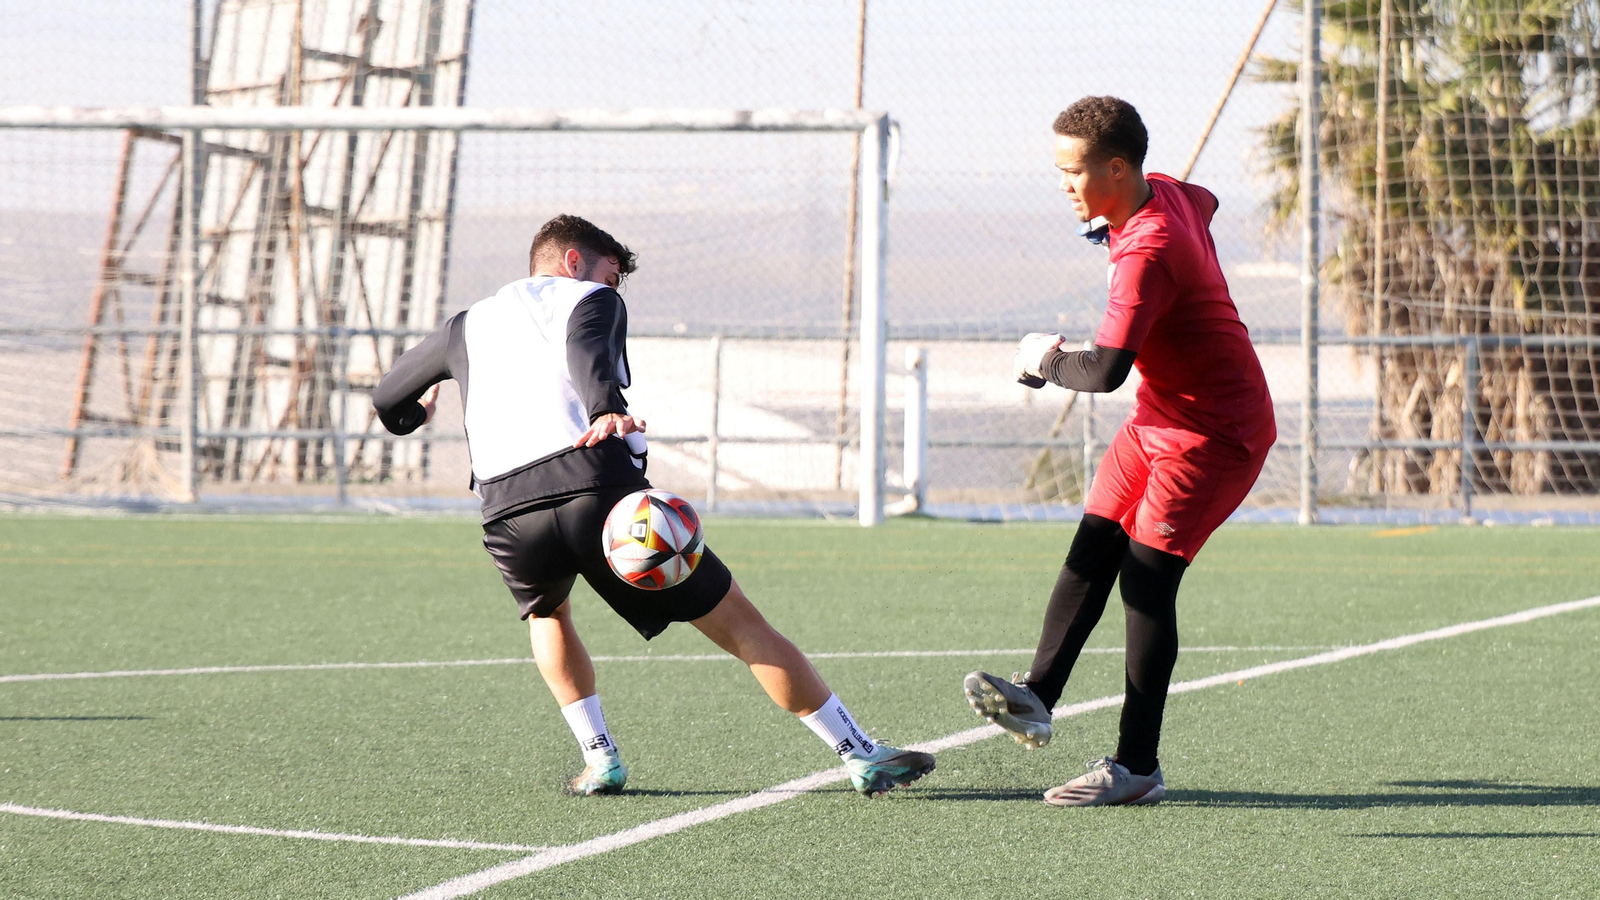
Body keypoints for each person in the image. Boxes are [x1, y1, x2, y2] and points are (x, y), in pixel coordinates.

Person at [373, 214, 934, 797]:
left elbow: (389, 396)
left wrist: (416, 416)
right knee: (741, 623)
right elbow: (584, 346)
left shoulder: (465, 324)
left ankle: (600, 760)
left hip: (508, 509)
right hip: (593, 481)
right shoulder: (590, 296)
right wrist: (603, 407)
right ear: (574, 262)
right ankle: (862, 754)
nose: (614, 289)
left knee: (548, 616)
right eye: (612, 275)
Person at [963, 97, 1275, 806]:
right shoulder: (1165, 191)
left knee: (1146, 584)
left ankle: (1136, 768)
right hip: (1159, 417)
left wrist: (1045, 358)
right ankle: (1037, 695)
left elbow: (1103, 373)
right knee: (1094, 541)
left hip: (1215, 434)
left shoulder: (1149, 250)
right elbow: (1207, 199)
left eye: (1074, 172)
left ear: (1116, 166)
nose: (1064, 184)